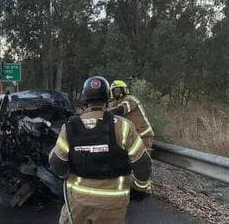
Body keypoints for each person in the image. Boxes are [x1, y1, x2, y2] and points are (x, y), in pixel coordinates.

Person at [49, 76, 152, 224]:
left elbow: (56, 162)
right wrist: (139, 188)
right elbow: (143, 164)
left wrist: (64, 175)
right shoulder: (123, 127)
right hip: (114, 204)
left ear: (84, 100)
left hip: (79, 201)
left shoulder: (70, 127)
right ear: (108, 99)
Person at [108, 80, 154, 149]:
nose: (116, 93)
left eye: (118, 90)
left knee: (142, 157)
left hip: (143, 135)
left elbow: (120, 110)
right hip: (132, 137)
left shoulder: (130, 99)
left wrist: (103, 113)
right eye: (114, 91)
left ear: (124, 90)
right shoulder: (114, 103)